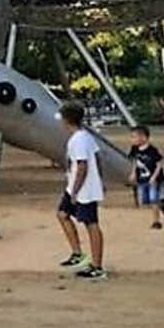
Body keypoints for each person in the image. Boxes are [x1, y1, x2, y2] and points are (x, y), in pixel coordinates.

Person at [55, 102, 107, 280]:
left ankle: (97, 266)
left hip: (83, 190)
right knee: (62, 214)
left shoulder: (79, 140)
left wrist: (76, 191)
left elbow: (82, 165)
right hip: (76, 186)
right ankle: (78, 253)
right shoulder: (85, 137)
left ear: (67, 120)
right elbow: (98, 158)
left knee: (91, 224)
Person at [127, 126, 164, 230]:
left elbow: (159, 163)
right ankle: (161, 203)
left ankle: (156, 222)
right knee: (145, 200)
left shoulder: (152, 150)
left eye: (134, 137)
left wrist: (154, 177)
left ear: (144, 138)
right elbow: (135, 161)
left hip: (154, 179)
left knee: (153, 199)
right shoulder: (134, 149)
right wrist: (133, 173)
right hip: (142, 178)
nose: (132, 139)